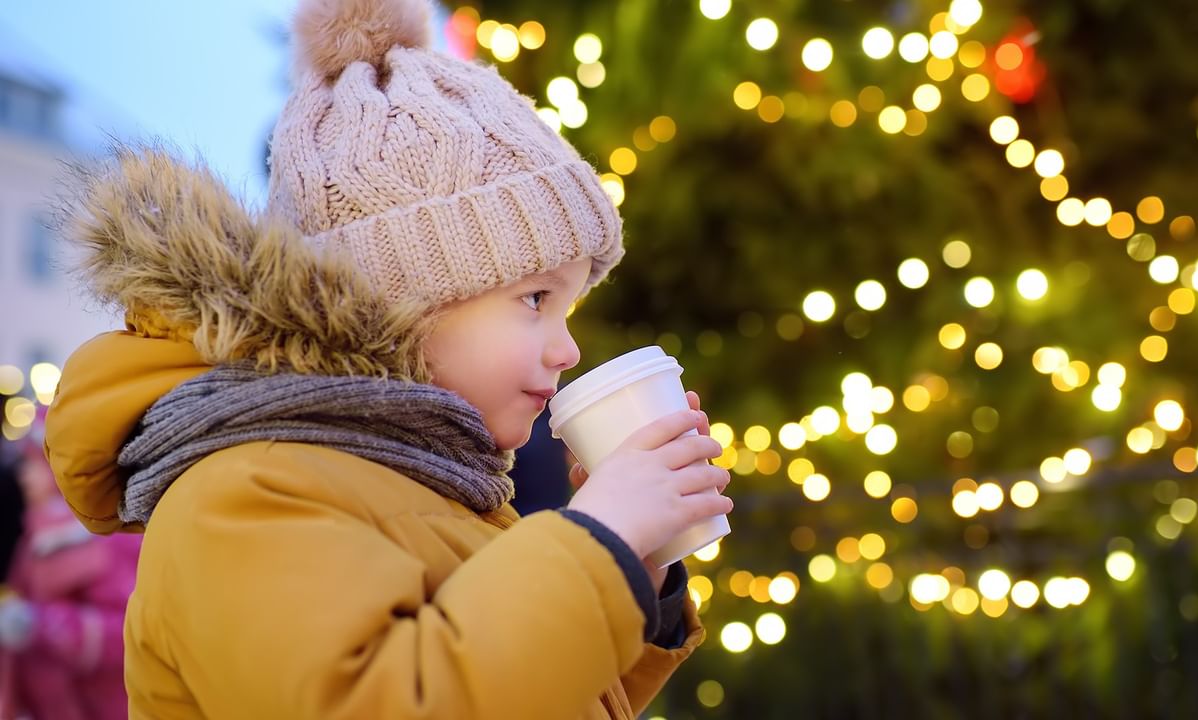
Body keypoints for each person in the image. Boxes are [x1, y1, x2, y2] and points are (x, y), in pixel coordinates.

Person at [42, 0, 733, 717]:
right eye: (535, 299)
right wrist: (600, 539)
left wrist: (637, 578)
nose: (568, 348)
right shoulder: (246, 487)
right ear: (402, 296)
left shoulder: (426, 481)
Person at [1, 411, 141, 720]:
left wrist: (40, 625)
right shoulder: (38, 535)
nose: (24, 475)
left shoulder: (108, 538)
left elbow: (130, 633)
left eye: (34, 463)